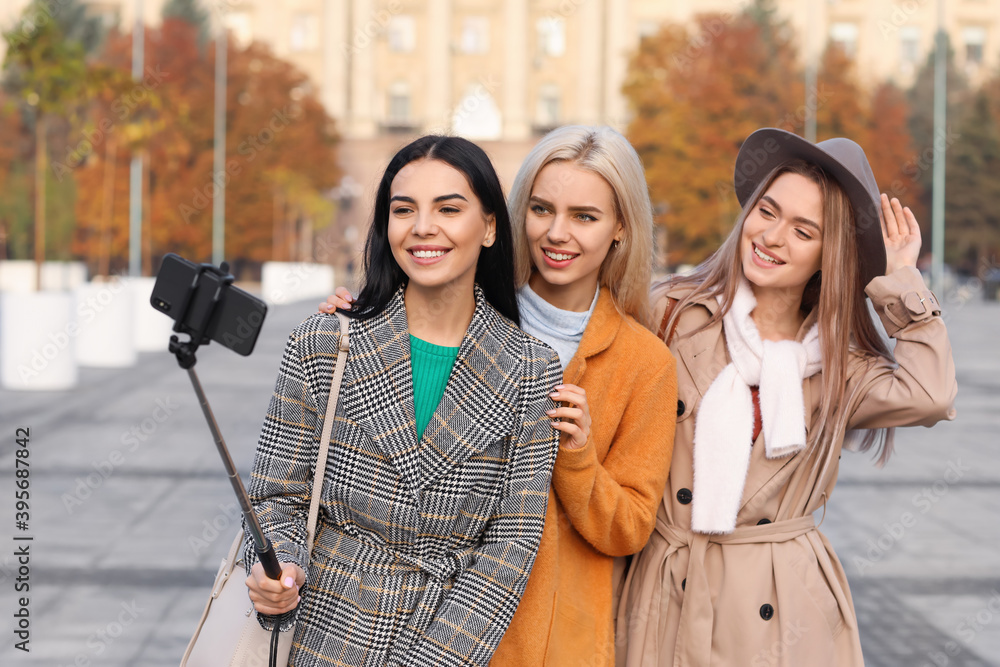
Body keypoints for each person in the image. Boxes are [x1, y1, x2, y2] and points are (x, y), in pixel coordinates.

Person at [322, 125, 677, 666]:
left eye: (585, 217)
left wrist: (578, 459)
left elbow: (630, 527)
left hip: (553, 643)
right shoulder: (463, 314)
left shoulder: (644, 362)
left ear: (620, 228)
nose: (557, 233)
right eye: (541, 209)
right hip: (427, 633)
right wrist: (365, 326)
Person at [616, 128, 957, 666]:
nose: (772, 237)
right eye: (767, 212)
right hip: (668, 590)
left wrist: (904, 280)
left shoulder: (841, 365)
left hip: (784, 606)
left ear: (829, 254)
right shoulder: (671, 315)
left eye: (803, 230)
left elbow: (930, 394)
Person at [245, 135, 562, 667]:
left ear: (488, 227)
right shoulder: (324, 342)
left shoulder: (532, 368)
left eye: (449, 208)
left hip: (448, 640)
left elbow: (511, 547)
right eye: (404, 209)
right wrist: (281, 570)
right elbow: (277, 495)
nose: (422, 228)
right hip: (322, 632)